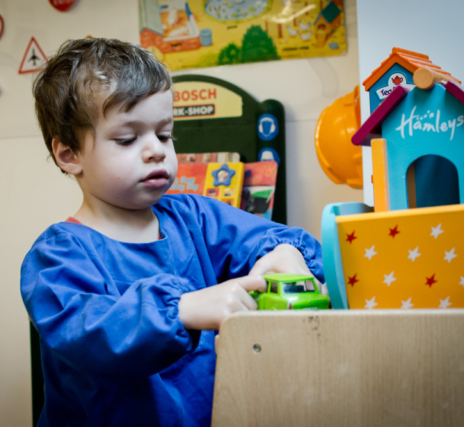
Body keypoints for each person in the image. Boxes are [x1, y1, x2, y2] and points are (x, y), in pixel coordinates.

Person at [21, 37, 324, 426]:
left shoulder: (194, 216)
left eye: (164, 134)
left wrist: (285, 253)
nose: (156, 150)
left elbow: (267, 240)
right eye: (127, 139)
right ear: (70, 154)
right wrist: (182, 309)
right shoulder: (57, 257)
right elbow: (91, 331)